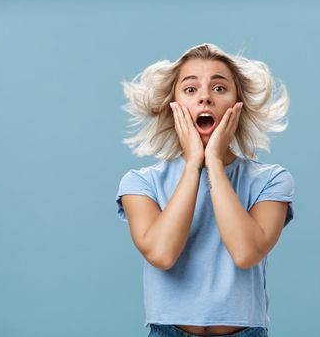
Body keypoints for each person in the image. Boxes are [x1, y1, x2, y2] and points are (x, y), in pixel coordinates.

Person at [116, 43, 295, 337]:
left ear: (239, 105)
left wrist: (212, 161)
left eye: (219, 88)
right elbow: (162, 254)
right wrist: (192, 166)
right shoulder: (140, 183)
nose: (205, 98)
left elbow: (245, 252)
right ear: (172, 106)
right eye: (190, 90)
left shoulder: (272, 180)